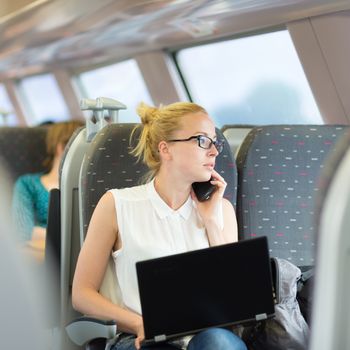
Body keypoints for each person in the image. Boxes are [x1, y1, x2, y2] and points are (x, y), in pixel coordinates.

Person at [72, 102, 247, 350]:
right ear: (166, 149)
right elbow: (82, 294)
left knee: (218, 342)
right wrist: (139, 324)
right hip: (139, 337)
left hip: (207, 337)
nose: (214, 152)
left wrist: (211, 224)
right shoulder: (117, 204)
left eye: (214, 142)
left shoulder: (222, 211)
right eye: (202, 141)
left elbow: (233, 302)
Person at [12, 120, 84, 260]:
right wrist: (71, 239)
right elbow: (23, 231)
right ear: (61, 147)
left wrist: (41, 232)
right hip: (43, 258)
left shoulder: (89, 186)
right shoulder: (27, 184)